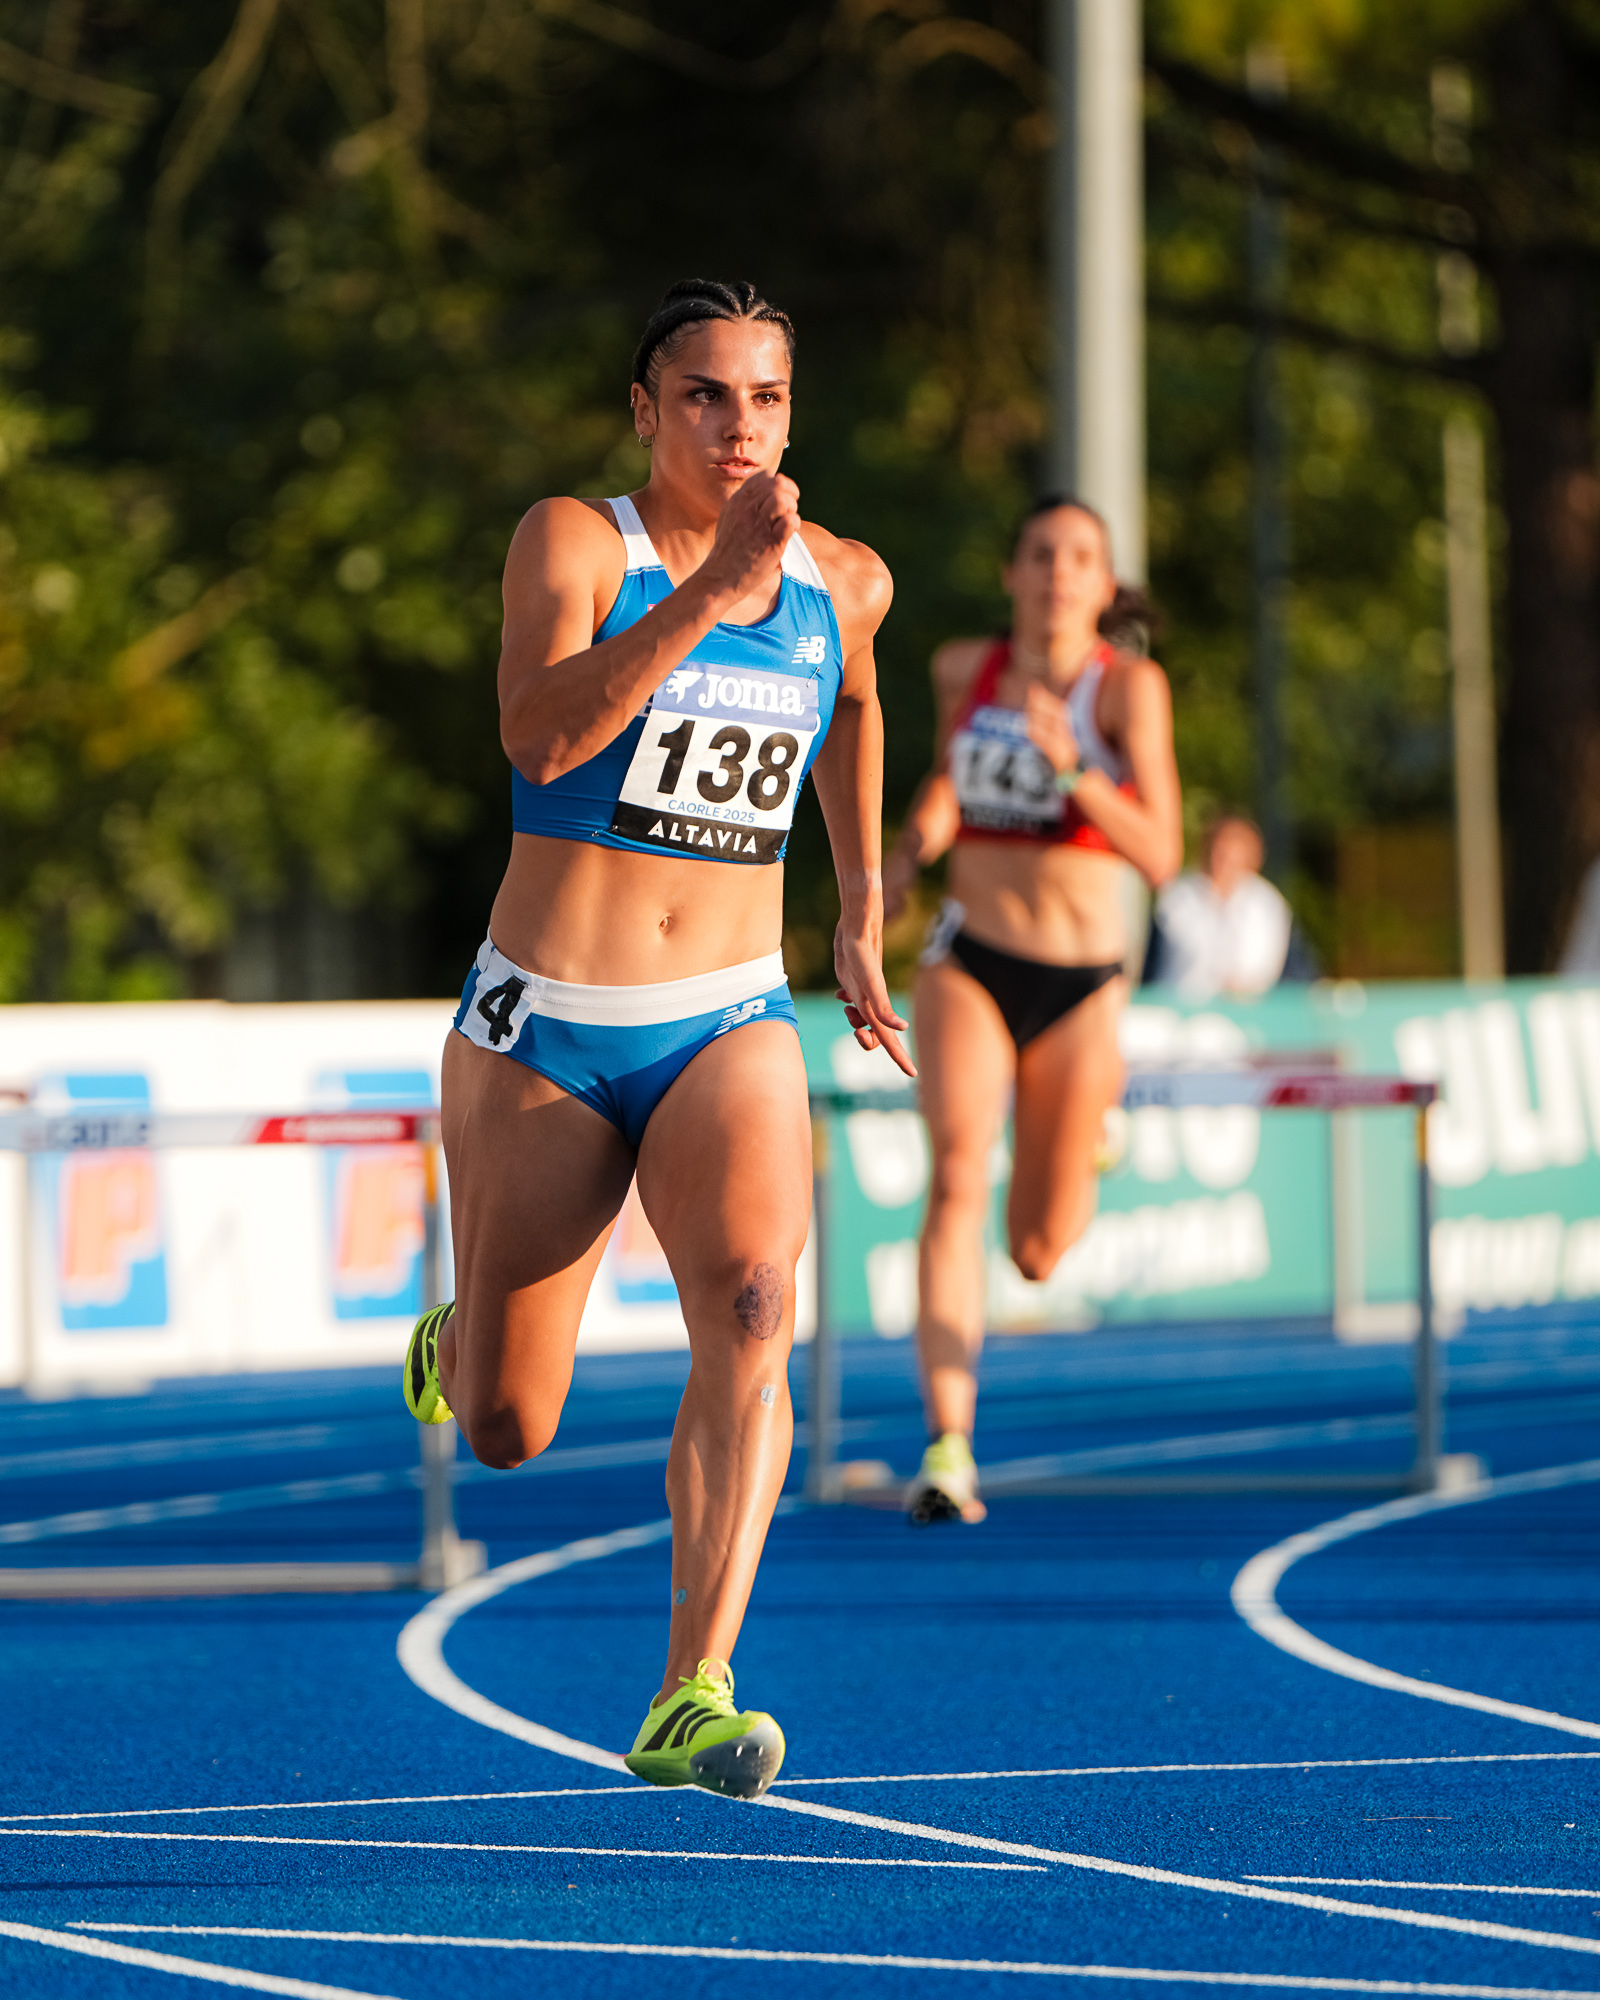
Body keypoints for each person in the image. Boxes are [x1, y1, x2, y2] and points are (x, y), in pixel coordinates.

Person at [403, 279, 911, 1797]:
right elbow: (538, 737)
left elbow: (856, 707)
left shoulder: (845, 579)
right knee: (507, 1427)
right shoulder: (575, 543)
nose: (737, 425)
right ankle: (461, 1334)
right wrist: (707, 594)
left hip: (729, 1012)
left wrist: (862, 905)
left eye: (765, 397)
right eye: (703, 395)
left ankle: (692, 1687)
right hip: (547, 1028)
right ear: (646, 410)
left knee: (756, 1300)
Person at [882, 496, 1181, 1525]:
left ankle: (1090, 1129)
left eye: (1079, 558)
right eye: (1041, 554)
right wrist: (907, 852)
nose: (1058, 573)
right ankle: (947, 1442)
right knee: (957, 1174)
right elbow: (944, 783)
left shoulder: (1126, 687)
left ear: (1105, 585)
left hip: (1081, 980)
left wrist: (1075, 772)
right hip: (970, 956)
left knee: (1037, 1250)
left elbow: (1161, 853)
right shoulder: (966, 669)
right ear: (1011, 572)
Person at [1142, 812, 1294, 1000]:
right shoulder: (1176, 897)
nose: (1226, 860)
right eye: (1221, 850)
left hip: (1248, 1010)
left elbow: (1275, 970)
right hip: (1178, 1006)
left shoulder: (1268, 904)